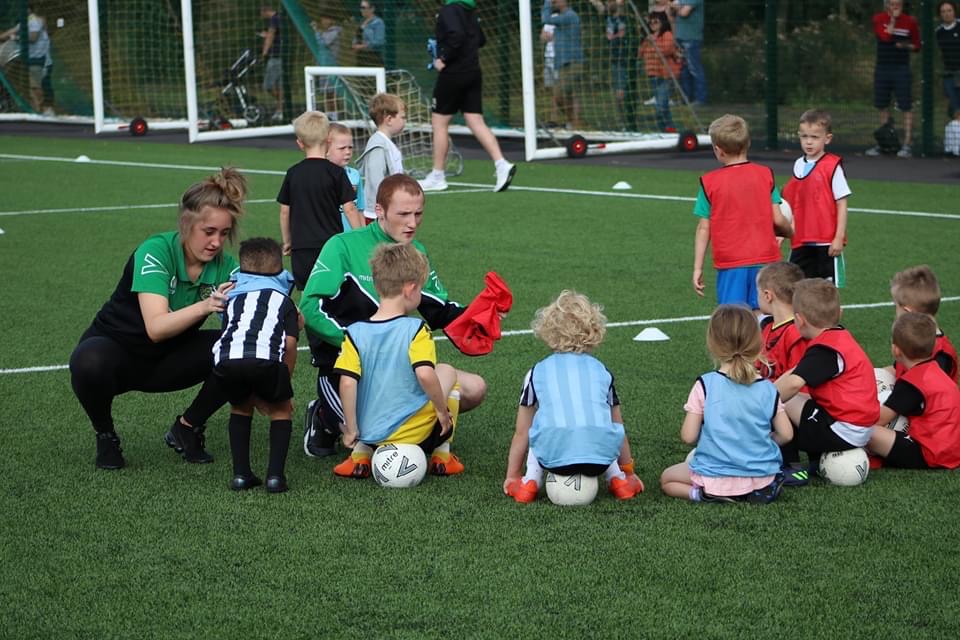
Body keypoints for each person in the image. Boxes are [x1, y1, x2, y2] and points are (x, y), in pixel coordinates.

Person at [300, 174, 487, 462]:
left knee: (474, 389)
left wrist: (480, 316)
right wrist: (356, 344)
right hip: (349, 369)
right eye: (403, 214)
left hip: (399, 369)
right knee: (368, 436)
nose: (412, 223)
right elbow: (311, 308)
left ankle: (420, 439)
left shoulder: (417, 251)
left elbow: (438, 307)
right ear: (379, 211)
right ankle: (324, 415)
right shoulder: (342, 245)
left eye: (418, 213)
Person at [69, 168, 247, 470]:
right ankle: (106, 435)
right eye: (209, 231)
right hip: (117, 355)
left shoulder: (226, 266)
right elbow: (155, 327)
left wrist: (284, 311)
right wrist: (206, 306)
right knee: (87, 361)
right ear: (186, 223)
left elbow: (251, 311)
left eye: (224, 233)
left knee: (240, 351)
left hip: (169, 360)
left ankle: (187, 428)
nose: (217, 242)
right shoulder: (156, 251)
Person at [333, 243, 463, 478]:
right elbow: (424, 374)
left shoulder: (354, 332)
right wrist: (442, 413)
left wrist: (352, 429)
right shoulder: (415, 329)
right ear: (411, 289)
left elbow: (348, 383)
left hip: (368, 430)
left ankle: (360, 454)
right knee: (447, 371)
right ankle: (443, 454)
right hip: (411, 431)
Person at [502, 291, 644, 503]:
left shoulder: (537, 371)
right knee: (603, 427)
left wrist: (511, 475)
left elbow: (522, 432)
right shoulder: (602, 371)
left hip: (553, 458)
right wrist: (630, 471)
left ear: (547, 331)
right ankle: (619, 479)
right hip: (600, 461)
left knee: (538, 428)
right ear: (594, 330)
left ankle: (529, 482)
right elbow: (618, 427)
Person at [660, 305, 792, 504]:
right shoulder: (768, 388)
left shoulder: (705, 384)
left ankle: (703, 494)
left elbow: (688, 437)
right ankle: (756, 490)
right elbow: (787, 434)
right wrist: (761, 442)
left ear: (712, 344)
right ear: (757, 342)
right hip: (762, 475)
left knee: (667, 479)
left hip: (715, 473)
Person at [212, 237, 301, 493]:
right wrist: (285, 383)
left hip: (226, 360)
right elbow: (291, 345)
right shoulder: (284, 301)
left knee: (240, 407)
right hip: (265, 358)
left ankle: (241, 475)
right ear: (279, 270)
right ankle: (275, 477)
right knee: (280, 409)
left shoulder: (233, 300)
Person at [775, 279, 881, 485]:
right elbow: (795, 372)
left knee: (783, 402)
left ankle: (790, 466)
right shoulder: (838, 337)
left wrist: (760, 402)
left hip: (844, 431)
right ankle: (816, 460)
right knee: (799, 399)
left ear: (799, 320)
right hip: (859, 426)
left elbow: (793, 383)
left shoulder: (824, 350)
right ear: (839, 313)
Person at [692, 115, 793, 309]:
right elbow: (778, 219)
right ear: (748, 144)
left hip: (732, 263)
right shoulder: (766, 175)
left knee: (734, 316)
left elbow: (704, 228)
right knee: (766, 313)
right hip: (767, 260)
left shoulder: (709, 183)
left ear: (718, 151)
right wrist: (789, 233)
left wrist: (698, 267)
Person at [417, 0, 517, 194]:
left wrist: (443, 58)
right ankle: (501, 164)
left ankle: (438, 175)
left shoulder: (449, 10)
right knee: (475, 120)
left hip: (454, 73)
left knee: (439, 122)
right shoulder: (469, 10)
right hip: (473, 71)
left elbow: (457, 36)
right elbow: (480, 39)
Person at [278, 111, 362, 291]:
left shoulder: (293, 173)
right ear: (328, 140)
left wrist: (287, 241)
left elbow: (285, 211)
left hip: (301, 248)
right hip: (330, 247)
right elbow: (350, 210)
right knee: (333, 291)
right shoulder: (337, 173)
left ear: (300, 143)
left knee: (308, 293)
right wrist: (362, 238)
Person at [867, 312, 960, 470]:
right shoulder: (934, 370)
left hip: (930, 454)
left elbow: (880, 419)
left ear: (896, 350)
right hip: (953, 450)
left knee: (866, 431)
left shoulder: (912, 383)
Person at [783, 109, 852, 286]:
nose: (808, 142)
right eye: (804, 136)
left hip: (826, 241)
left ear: (827, 138)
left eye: (814, 137)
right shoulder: (798, 164)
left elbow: (842, 204)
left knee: (827, 291)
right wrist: (783, 232)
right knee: (797, 287)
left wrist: (838, 236)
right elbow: (791, 203)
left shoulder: (832, 166)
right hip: (801, 239)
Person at [866, 0, 920, 158]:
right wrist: (893, 20)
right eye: (891, 4)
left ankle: (907, 144)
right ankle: (884, 143)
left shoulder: (910, 22)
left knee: (905, 106)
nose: (894, 7)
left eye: (898, 4)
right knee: (883, 106)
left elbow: (916, 45)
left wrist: (905, 46)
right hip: (883, 68)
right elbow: (885, 36)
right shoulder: (879, 19)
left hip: (901, 69)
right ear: (886, 5)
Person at [889, 265, 958, 382]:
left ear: (907, 312)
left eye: (896, 306)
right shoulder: (912, 338)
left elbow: (931, 393)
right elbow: (897, 369)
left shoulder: (941, 356)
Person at [356, 93, 406, 224]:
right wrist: (385, 204)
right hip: (377, 213)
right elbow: (376, 179)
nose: (405, 121)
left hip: (388, 207)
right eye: (403, 117)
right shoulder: (378, 145)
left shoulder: (386, 143)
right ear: (389, 119)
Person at [756, 261, 806, 382]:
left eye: (758, 293)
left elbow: (799, 384)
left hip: (785, 399)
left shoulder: (796, 333)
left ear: (768, 296)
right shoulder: (767, 327)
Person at [0, 5, 53, 114]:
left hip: (38, 59)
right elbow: (8, 33)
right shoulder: (25, 22)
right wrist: (7, 36)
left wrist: (17, 37)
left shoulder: (34, 20)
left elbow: (33, 37)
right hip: (29, 60)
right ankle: (36, 109)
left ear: (28, 9)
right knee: (29, 87)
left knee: (35, 86)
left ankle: (44, 109)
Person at [542, 0, 584, 130]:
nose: (554, 2)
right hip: (562, 63)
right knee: (562, 95)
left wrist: (547, 2)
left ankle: (575, 123)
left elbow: (545, 19)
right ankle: (574, 123)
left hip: (572, 62)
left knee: (562, 94)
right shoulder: (562, 17)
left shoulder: (570, 16)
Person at [589, 0, 631, 127]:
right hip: (614, 58)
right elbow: (599, 6)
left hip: (624, 57)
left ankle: (625, 119)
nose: (607, 3)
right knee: (618, 90)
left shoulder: (623, 16)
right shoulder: (608, 17)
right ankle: (622, 117)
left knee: (622, 90)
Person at [639, 11, 680, 132]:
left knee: (661, 106)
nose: (652, 24)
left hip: (666, 76)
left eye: (655, 21)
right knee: (661, 106)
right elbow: (640, 53)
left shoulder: (666, 35)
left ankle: (669, 128)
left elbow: (667, 50)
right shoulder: (648, 37)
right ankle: (666, 129)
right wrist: (646, 41)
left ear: (662, 22)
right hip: (653, 76)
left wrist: (654, 41)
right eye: (650, 22)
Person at [327, 122, 365, 231]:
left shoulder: (354, 175)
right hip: (330, 237)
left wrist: (363, 234)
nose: (348, 152)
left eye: (350, 147)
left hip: (352, 236)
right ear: (326, 149)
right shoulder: (322, 176)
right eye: (342, 148)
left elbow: (360, 209)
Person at [668, 0, 706, 105]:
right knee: (683, 70)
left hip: (691, 38)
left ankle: (700, 99)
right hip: (680, 38)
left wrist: (672, 5)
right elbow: (671, 14)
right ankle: (686, 98)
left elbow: (684, 13)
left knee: (694, 68)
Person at [311, 9, 342, 120]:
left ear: (332, 20)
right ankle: (329, 116)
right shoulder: (325, 32)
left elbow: (323, 42)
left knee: (331, 94)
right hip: (323, 67)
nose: (323, 21)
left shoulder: (335, 32)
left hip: (332, 67)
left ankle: (335, 116)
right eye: (323, 18)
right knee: (326, 94)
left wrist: (316, 31)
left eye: (326, 18)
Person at [259, 5, 284, 123]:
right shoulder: (281, 18)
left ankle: (281, 105)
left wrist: (264, 52)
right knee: (279, 86)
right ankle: (280, 110)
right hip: (282, 56)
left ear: (265, 11)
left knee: (268, 86)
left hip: (275, 57)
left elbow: (271, 35)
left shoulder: (274, 19)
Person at [936, 1, 960, 119]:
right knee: (955, 106)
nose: (946, 14)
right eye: (943, 11)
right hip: (949, 74)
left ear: (954, 11)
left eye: (949, 10)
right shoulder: (938, 32)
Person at [352, 1, 385, 67]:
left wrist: (362, 46)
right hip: (360, 58)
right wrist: (354, 44)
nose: (361, 10)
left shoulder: (378, 23)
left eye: (363, 7)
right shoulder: (361, 21)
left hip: (373, 59)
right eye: (360, 7)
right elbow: (356, 37)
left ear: (372, 9)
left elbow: (379, 42)